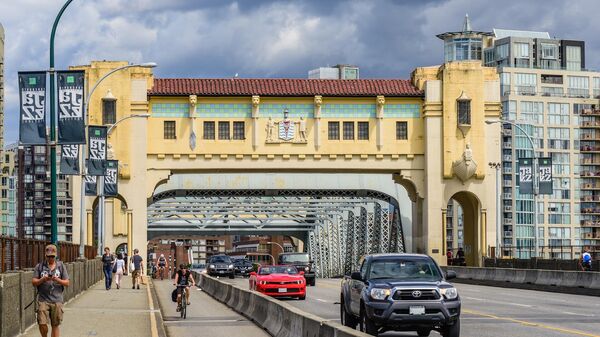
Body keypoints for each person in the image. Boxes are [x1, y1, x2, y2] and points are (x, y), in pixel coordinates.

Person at [32, 244, 70, 337]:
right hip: (43, 299)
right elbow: (33, 281)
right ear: (45, 255)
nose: (50, 259)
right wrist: (43, 279)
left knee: (55, 325)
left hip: (57, 300)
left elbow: (67, 283)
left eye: (52, 256)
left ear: (56, 255)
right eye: (49, 257)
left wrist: (57, 280)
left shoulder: (61, 266)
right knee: (42, 323)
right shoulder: (39, 266)